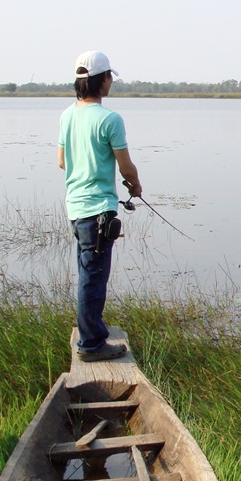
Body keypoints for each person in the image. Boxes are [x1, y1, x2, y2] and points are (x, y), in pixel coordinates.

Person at [58, 51, 142, 361]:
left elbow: (62, 162)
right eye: (109, 77)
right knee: (93, 278)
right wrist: (135, 185)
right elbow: (126, 167)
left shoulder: (67, 115)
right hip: (98, 211)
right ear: (101, 80)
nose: (111, 82)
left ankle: (94, 330)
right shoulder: (110, 119)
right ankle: (91, 345)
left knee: (87, 273)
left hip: (75, 208)